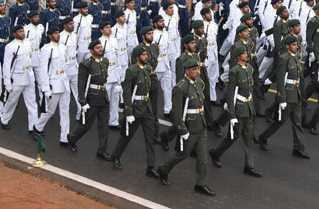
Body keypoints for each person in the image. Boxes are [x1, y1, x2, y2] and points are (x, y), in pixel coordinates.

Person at [156, 58, 214, 196]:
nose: (197, 72)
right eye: (194, 69)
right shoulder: (180, 88)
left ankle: (200, 184)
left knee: (203, 158)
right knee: (182, 154)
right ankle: (164, 170)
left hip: (201, 125)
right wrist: (182, 130)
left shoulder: (199, 83)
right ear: (187, 71)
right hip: (190, 127)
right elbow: (176, 114)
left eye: (198, 69)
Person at [209, 44, 262, 178]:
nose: (246, 55)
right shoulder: (234, 71)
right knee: (234, 136)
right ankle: (216, 153)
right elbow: (231, 92)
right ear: (239, 57)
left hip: (248, 107)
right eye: (244, 53)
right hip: (239, 108)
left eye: (247, 53)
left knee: (248, 137)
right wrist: (231, 114)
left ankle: (249, 166)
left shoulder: (249, 68)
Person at [111, 45, 159, 178]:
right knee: (127, 135)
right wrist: (128, 112)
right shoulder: (131, 71)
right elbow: (127, 92)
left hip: (147, 106)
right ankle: (115, 156)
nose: (146, 56)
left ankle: (151, 166)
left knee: (150, 138)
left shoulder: (148, 69)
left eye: (146, 54)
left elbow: (152, 87)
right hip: (136, 108)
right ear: (137, 57)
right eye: (143, 55)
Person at [66, 39, 112, 161]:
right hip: (92, 97)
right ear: (91, 51)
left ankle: (102, 150)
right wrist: (82, 101)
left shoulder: (105, 61)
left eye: (101, 47)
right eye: (97, 48)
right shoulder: (86, 64)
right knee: (86, 124)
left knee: (104, 125)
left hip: (103, 96)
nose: (100, 49)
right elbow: (81, 84)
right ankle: (72, 138)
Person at [34, 28, 70, 145]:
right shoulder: (46, 49)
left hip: (64, 81)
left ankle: (65, 137)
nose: (57, 35)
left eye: (58, 32)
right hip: (53, 82)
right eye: (55, 33)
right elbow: (42, 70)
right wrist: (45, 88)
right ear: (50, 36)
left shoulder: (63, 47)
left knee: (65, 111)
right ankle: (38, 127)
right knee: (50, 111)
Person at [0, 25, 39, 133]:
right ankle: (4, 119)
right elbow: (7, 66)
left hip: (29, 75)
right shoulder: (10, 47)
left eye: (23, 31)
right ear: (15, 34)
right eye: (20, 31)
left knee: (32, 103)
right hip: (17, 77)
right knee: (12, 101)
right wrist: (7, 82)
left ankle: (33, 127)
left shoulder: (28, 43)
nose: (22, 33)